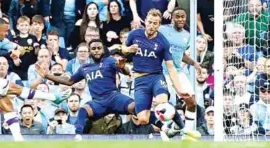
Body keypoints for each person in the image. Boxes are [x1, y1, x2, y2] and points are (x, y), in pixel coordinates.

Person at [0, 17, 71, 141]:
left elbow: (20, 48)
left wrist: (18, 53)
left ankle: (18, 139)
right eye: (5, 31)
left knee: (6, 104)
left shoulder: (1, 41)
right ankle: (53, 97)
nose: (7, 33)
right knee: (13, 88)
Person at [121, 8, 201, 140]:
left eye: (155, 23)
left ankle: (183, 129)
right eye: (150, 22)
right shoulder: (135, 34)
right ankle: (167, 129)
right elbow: (123, 47)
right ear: (145, 21)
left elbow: (171, 68)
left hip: (156, 77)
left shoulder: (163, 42)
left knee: (162, 103)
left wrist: (179, 89)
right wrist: (128, 49)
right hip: (140, 80)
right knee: (142, 119)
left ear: (159, 25)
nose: (151, 26)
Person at [35, 39, 134, 140]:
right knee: (83, 110)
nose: (96, 50)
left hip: (113, 97)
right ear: (89, 51)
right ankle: (78, 136)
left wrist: (123, 67)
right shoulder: (84, 68)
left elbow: (126, 72)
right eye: (93, 48)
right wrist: (47, 75)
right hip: (98, 102)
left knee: (135, 107)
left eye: (99, 48)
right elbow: (69, 81)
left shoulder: (110, 61)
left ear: (103, 50)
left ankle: (150, 131)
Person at [158, 8, 201, 132]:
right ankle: (166, 130)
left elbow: (180, 54)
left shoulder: (187, 35)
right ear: (172, 18)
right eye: (177, 16)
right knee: (165, 104)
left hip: (178, 71)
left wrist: (194, 64)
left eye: (183, 17)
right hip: (162, 71)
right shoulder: (163, 30)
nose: (180, 19)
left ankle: (187, 131)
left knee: (191, 102)